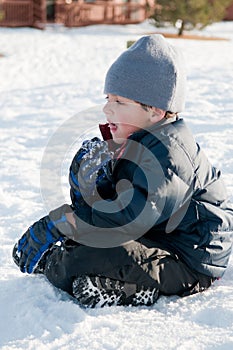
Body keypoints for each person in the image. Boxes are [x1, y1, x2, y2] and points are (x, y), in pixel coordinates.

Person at [13, 35, 233, 308]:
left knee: (85, 256)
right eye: (108, 98)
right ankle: (97, 273)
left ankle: (117, 283)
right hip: (156, 237)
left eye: (119, 101)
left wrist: (63, 223)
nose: (107, 108)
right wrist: (89, 183)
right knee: (89, 248)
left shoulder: (168, 156)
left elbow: (123, 222)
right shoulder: (137, 142)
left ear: (154, 110)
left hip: (190, 261)